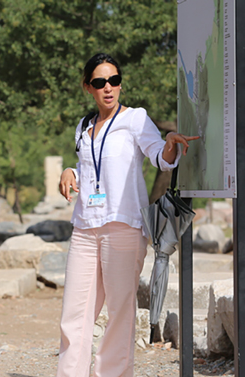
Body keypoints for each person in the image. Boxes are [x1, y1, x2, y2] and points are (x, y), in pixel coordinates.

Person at [56, 52, 198, 377]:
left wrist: (170, 145)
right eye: (100, 82)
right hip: (84, 228)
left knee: (120, 313)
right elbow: (88, 167)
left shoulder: (134, 118)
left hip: (124, 228)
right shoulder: (83, 126)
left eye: (114, 80)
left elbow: (157, 155)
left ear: (120, 83)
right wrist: (69, 171)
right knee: (74, 316)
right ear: (88, 87)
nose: (108, 87)